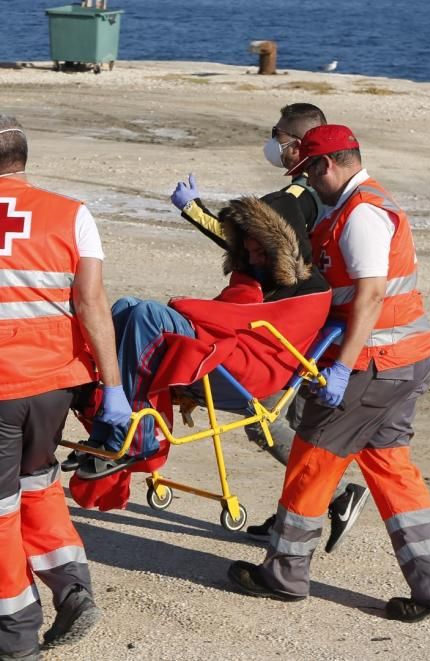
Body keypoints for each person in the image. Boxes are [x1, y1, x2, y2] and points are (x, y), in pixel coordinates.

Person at [226, 125, 430, 622]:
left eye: (310, 175)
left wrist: (339, 368)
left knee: (312, 461)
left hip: (372, 366)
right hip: (405, 360)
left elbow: (371, 295)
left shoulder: (361, 216)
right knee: (391, 470)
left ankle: (285, 574)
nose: (310, 185)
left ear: (326, 165)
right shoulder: (367, 206)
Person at [0, 115, 131, 660]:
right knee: (38, 484)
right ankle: (72, 592)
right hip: (55, 385)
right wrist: (112, 388)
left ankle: (13, 637)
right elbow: (91, 305)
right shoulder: (73, 215)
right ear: (24, 159)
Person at [170, 103, 370, 553]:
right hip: (319, 319)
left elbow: (257, 244)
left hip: (295, 320)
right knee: (297, 425)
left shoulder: (297, 196)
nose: (271, 141)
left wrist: (193, 210)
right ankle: (298, 514)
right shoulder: (324, 193)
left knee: (265, 418)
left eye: (277, 134)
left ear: (299, 145)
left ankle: (335, 499)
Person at [71, 191, 331, 483]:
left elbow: (241, 319)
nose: (254, 259)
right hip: (227, 345)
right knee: (125, 307)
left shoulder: (310, 290)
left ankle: (138, 438)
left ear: (283, 250)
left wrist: (186, 306)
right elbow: (230, 311)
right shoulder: (256, 272)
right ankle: (104, 427)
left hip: (249, 366)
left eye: (261, 253)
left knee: (147, 315)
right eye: (249, 251)